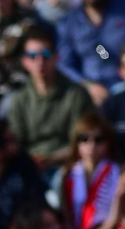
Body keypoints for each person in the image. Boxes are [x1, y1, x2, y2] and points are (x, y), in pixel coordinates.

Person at [7, 24, 92, 172]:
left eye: (45, 55)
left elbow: (81, 142)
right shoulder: (19, 100)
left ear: (56, 57)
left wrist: (52, 159)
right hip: (30, 166)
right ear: (25, 62)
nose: (40, 62)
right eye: (33, 56)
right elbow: (15, 143)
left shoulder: (76, 94)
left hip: (68, 165)